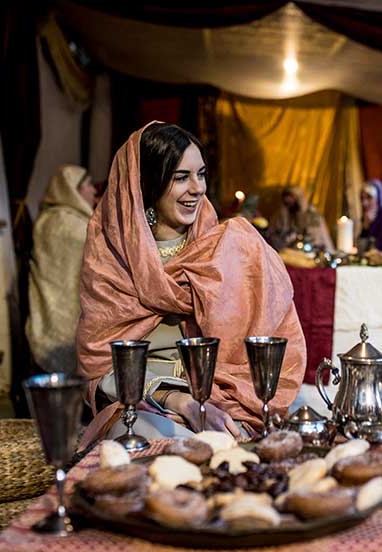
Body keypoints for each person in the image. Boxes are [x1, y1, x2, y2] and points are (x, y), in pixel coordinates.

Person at [77, 122, 306, 442]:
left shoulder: (229, 247)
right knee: (152, 442)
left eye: (201, 174)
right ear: (149, 183)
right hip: (144, 400)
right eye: (181, 177)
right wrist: (178, 400)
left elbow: (273, 336)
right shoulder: (112, 259)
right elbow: (100, 368)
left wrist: (212, 400)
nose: (197, 188)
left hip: (232, 393)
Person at [26, 164, 97, 374]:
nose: (93, 190)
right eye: (88, 184)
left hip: (44, 318)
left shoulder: (45, 220)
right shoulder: (76, 226)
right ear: (72, 190)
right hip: (70, 319)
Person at [272, 186, 335, 252]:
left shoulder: (310, 212)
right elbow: (277, 229)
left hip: (309, 247)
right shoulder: (284, 212)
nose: (288, 200)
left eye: (291, 197)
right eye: (286, 197)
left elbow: (316, 234)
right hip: (288, 246)